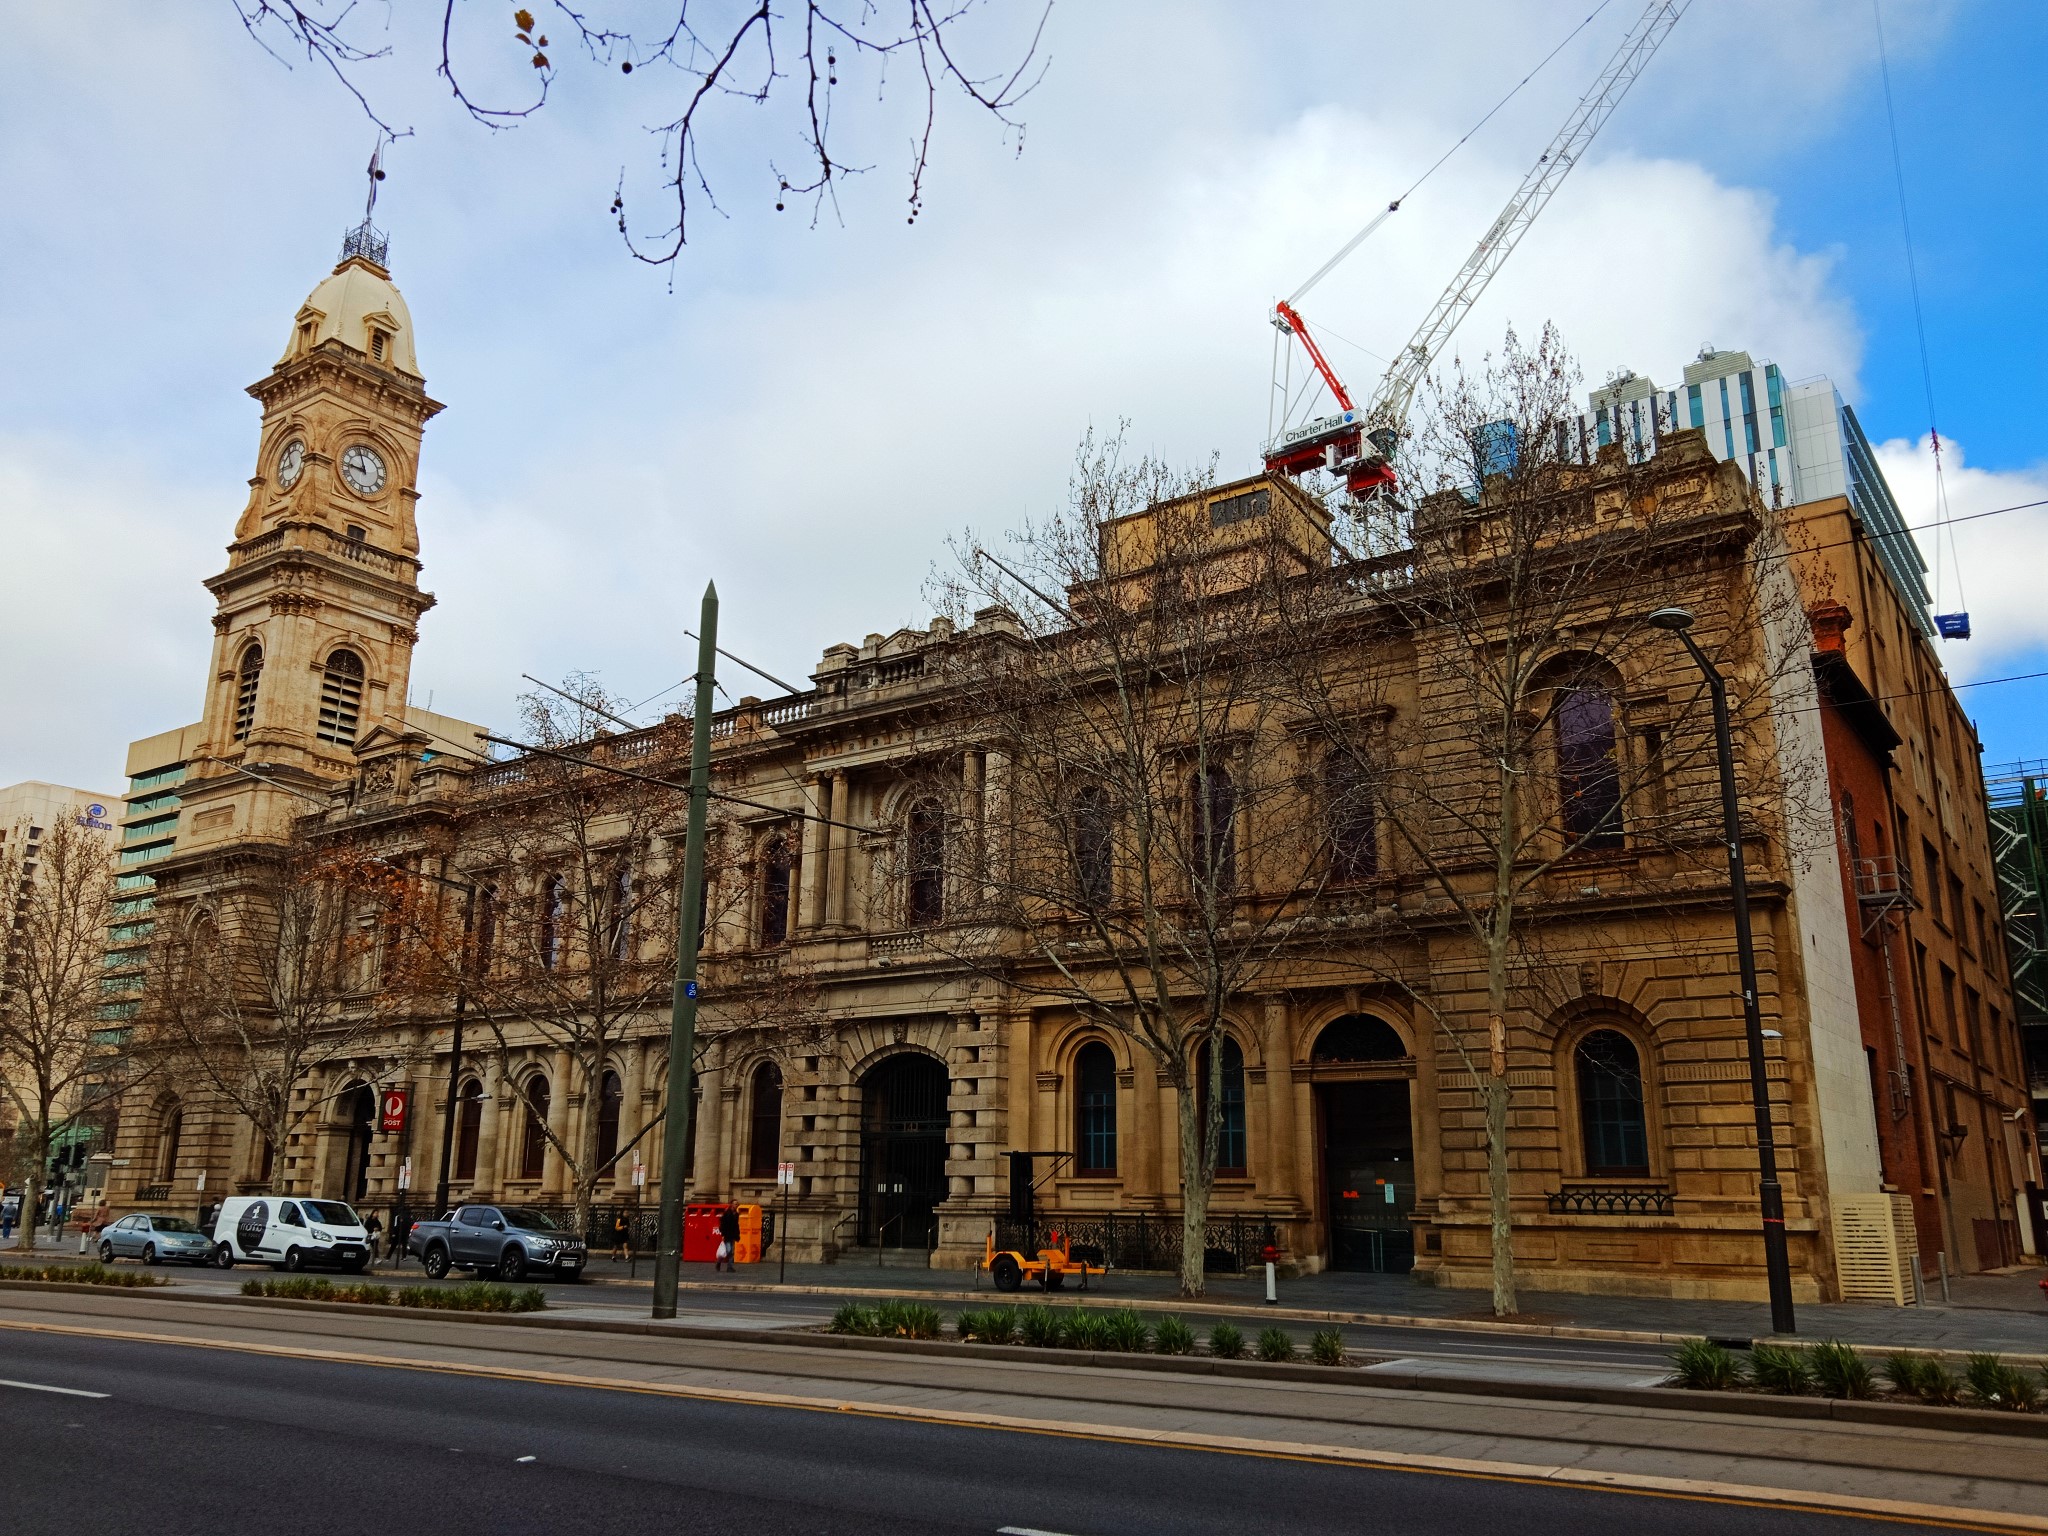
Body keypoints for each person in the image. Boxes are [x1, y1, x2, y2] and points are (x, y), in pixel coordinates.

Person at [715, 1203, 741, 1272]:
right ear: (732, 1205)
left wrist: (737, 1235)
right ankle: (719, 1262)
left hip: (733, 1235)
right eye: (735, 1204)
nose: (736, 1205)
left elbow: (736, 1226)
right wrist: (723, 1234)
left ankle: (729, 1267)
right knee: (728, 1251)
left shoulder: (736, 1214)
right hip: (727, 1235)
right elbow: (723, 1225)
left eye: (737, 1204)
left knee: (731, 1252)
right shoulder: (727, 1213)